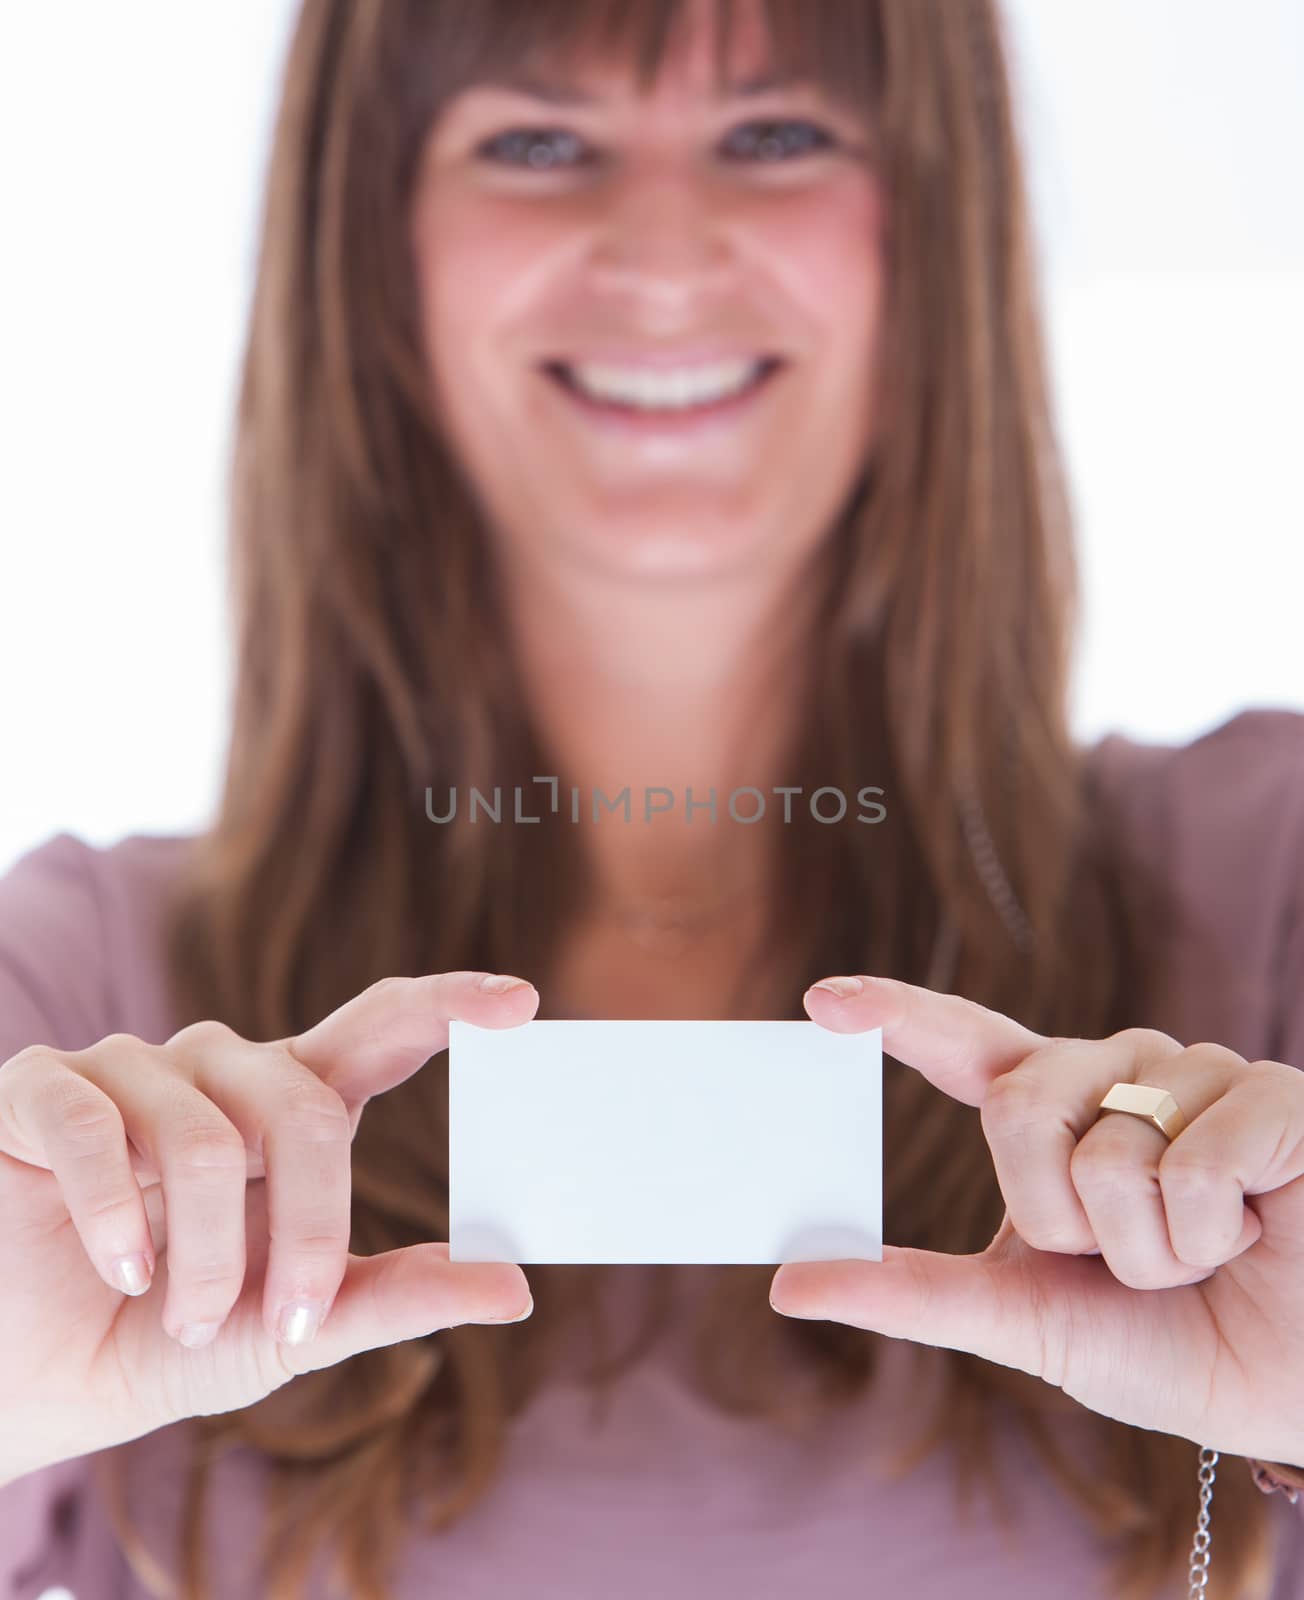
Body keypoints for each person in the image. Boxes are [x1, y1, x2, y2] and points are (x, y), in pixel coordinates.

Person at [1, 0, 1302, 1595]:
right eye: (537, 141)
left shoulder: (1277, 891)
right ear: (377, 246)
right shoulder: (69, 1017)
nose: (665, 258)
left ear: (933, 223)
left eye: (778, 135)